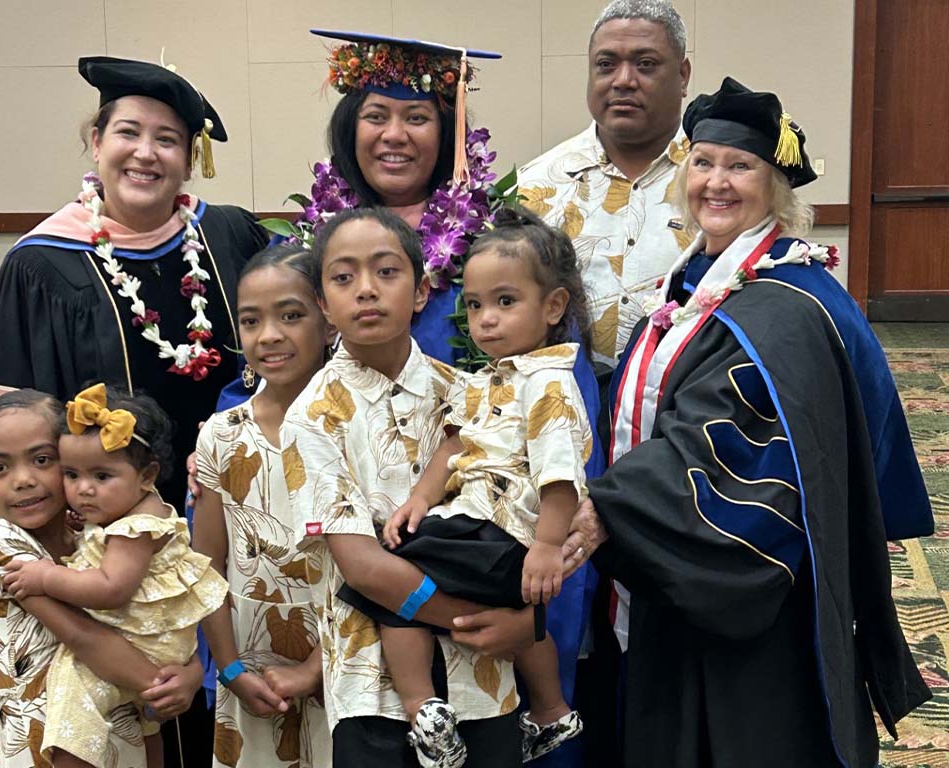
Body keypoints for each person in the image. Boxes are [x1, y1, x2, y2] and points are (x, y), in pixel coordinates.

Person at [582, 77, 933, 766]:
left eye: (740, 167)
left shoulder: (786, 304)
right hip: (674, 560)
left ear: (775, 188)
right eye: (704, 163)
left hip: (748, 582)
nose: (717, 182)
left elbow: (737, 447)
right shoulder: (692, 279)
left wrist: (612, 509)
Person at [0, 54, 267, 764]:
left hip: (230, 519)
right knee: (138, 716)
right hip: (101, 544)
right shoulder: (43, 265)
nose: (146, 153)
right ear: (97, 143)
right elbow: (0, 428)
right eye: (128, 132)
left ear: (191, 159)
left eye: (168, 139)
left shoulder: (232, 236)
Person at [281, 208, 539, 768]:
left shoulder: (473, 396)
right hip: (373, 688)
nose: (366, 290)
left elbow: (530, 513)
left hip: (484, 679)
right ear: (324, 305)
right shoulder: (311, 419)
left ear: (422, 290)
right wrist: (477, 621)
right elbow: (364, 567)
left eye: (387, 272)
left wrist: (524, 622)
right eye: (343, 278)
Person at [336, 208, 592, 765]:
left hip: (503, 529)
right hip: (478, 521)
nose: (487, 321)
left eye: (505, 302)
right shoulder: (484, 380)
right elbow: (453, 448)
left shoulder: (547, 383)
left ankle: (422, 708)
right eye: (475, 306)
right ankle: (551, 713)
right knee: (512, 617)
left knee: (389, 583)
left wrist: (546, 547)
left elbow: (559, 474)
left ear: (553, 308)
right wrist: (421, 499)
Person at [0, 389, 203, 768]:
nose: (23, 480)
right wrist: (164, 684)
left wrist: (192, 672)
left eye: (43, 460)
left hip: (122, 722)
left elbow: (158, 614)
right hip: (48, 739)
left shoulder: (93, 535)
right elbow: (84, 636)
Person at [193, 244, 335, 767]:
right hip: (251, 670)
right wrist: (229, 668)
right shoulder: (220, 437)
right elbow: (206, 564)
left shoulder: (354, 424)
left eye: (291, 316)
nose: (269, 335)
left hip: (350, 662)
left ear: (328, 321)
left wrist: (319, 667)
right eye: (251, 321)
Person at [518, 0, 693, 362]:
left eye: (645, 64)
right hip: (563, 409)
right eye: (606, 64)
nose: (623, 80)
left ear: (683, 75)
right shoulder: (536, 186)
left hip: (692, 406)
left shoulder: (720, 185)